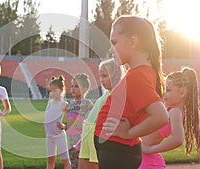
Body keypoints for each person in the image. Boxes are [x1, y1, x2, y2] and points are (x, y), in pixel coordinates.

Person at [93, 15, 169, 169]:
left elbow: (161, 116)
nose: (110, 49)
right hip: (117, 148)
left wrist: (129, 133)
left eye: (114, 42)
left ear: (133, 42)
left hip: (117, 149)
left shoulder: (137, 76)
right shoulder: (142, 73)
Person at [138, 67, 200, 169]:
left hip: (146, 159)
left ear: (182, 93)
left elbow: (178, 139)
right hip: (144, 158)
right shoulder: (169, 110)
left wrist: (151, 149)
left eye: (168, 90)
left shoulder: (174, 111)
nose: (163, 94)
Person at [74, 59, 123, 169]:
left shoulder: (116, 95)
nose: (101, 80)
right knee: (82, 166)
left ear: (116, 76)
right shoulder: (106, 95)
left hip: (97, 136)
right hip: (87, 134)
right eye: (100, 76)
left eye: (105, 76)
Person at [58, 73, 93, 169]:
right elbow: (69, 122)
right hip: (70, 141)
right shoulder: (70, 104)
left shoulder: (87, 103)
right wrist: (64, 126)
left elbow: (92, 120)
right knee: (73, 163)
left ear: (85, 89)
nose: (72, 88)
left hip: (81, 140)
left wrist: (84, 126)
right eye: (72, 86)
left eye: (76, 86)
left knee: (82, 163)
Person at [44, 76, 71, 169]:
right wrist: (45, 124)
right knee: (50, 160)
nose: (52, 93)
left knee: (65, 161)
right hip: (49, 136)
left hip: (59, 136)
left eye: (55, 91)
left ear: (62, 90)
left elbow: (71, 118)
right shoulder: (50, 102)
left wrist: (65, 126)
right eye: (51, 91)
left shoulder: (63, 104)